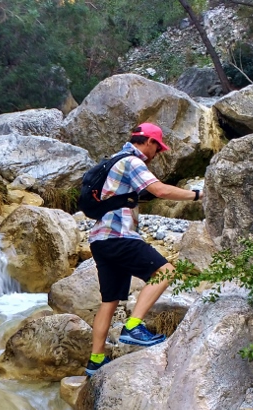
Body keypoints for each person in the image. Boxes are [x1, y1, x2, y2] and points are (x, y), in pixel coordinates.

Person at [85, 122, 203, 376]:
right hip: (119, 236)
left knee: (109, 301)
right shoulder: (132, 161)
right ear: (149, 141)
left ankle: (95, 361)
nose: (158, 153)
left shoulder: (114, 160)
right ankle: (133, 327)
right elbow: (159, 190)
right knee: (166, 272)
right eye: (158, 148)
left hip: (100, 239)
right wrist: (197, 195)